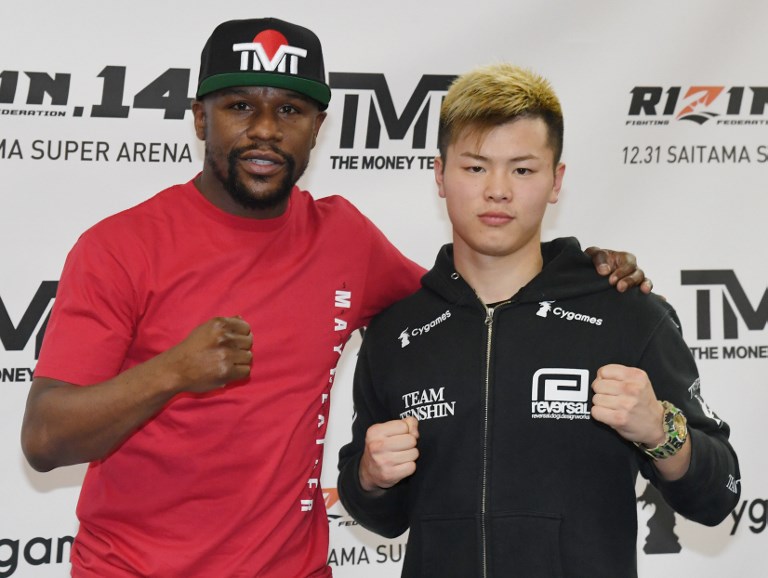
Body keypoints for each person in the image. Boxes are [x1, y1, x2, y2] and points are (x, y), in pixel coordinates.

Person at [20, 18, 649, 578]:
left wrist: (583, 269)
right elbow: (45, 440)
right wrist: (171, 373)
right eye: (240, 105)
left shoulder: (343, 238)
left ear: (318, 128)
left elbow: (466, 294)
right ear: (199, 117)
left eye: (291, 111)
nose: (265, 131)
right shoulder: (120, 247)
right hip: (135, 569)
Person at [337, 63, 740, 577]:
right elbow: (379, 514)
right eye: (475, 167)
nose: (498, 190)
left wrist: (662, 431)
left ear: (556, 181)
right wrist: (371, 476)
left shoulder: (627, 313)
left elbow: (718, 495)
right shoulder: (396, 330)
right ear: (440, 175)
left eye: (523, 169)